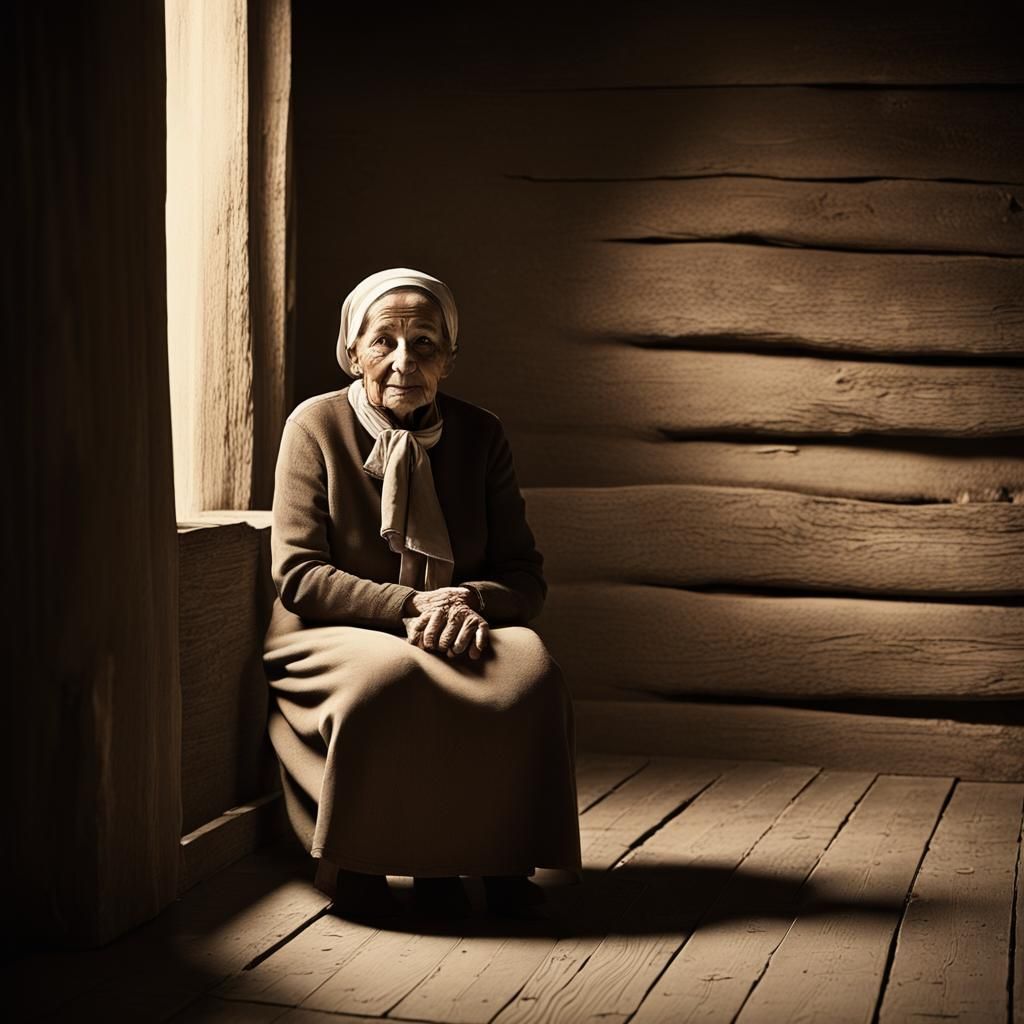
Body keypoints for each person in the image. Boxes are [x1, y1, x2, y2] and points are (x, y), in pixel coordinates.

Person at [263, 267, 583, 918]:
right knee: (389, 678)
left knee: (530, 671)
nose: (404, 361)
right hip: (335, 627)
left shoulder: (481, 434)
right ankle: (362, 866)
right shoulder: (314, 425)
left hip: (456, 619)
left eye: (426, 345)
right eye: (384, 342)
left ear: (450, 358)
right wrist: (411, 606)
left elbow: (524, 575)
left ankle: (498, 865)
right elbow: (298, 574)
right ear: (353, 351)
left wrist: (465, 603)